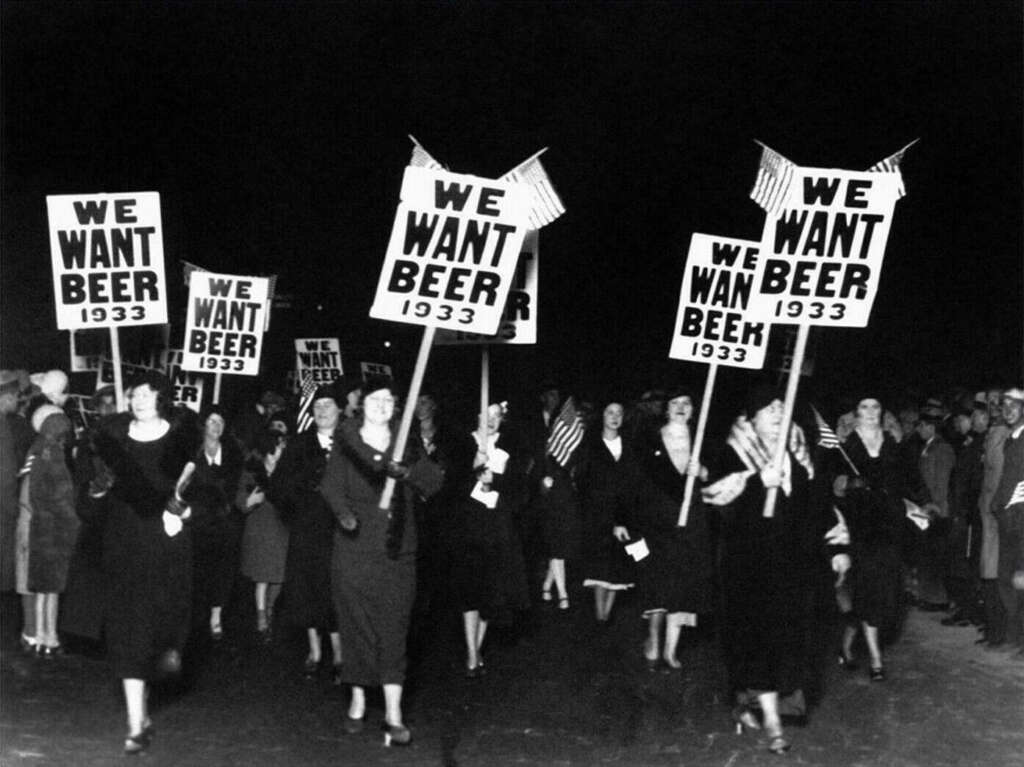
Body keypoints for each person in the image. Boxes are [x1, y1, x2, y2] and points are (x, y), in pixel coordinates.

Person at [702, 385, 848, 755]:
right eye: (769, 410)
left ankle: (749, 701)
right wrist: (753, 483)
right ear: (752, 419)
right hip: (748, 568)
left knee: (787, 640)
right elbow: (714, 500)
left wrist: (837, 546)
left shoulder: (801, 455)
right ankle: (772, 722)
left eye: (781, 409)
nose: (778, 415)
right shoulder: (733, 453)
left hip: (792, 567)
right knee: (758, 640)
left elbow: (818, 506)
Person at [319, 376, 443, 746]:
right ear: (362, 404)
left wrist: (407, 472)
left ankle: (393, 713)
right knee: (356, 626)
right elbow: (330, 487)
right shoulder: (347, 442)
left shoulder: (407, 442)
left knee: (393, 627)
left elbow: (433, 482)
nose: (382, 406)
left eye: (389, 400)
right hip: (354, 548)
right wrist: (344, 515)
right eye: (375, 399)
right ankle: (357, 699)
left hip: (396, 550)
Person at [87, 372, 196, 754]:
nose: (140, 399)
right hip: (125, 545)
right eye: (134, 394)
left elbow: (207, 496)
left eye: (149, 393)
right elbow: (97, 495)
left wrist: (183, 512)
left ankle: (147, 693)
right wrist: (98, 487)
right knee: (128, 629)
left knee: (159, 632)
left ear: (163, 398)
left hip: (167, 550)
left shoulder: (181, 442)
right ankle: (136, 722)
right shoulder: (114, 443)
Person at [633, 388, 713, 670]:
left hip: (691, 520)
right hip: (658, 521)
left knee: (682, 585)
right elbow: (638, 481)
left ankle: (671, 650)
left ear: (693, 409)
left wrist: (702, 472)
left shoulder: (703, 439)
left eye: (686, 402)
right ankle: (653, 641)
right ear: (666, 409)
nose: (681, 407)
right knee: (657, 582)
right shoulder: (650, 440)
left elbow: (719, 478)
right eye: (675, 403)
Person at [831, 396, 910, 679]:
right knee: (867, 589)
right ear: (855, 412)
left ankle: (847, 643)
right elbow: (833, 484)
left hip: (889, 524)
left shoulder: (894, 442)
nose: (871, 412)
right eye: (864, 406)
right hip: (859, 525)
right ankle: (876, 660)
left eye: (876, 406)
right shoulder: (844, 446)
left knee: (885, 593)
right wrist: (851, 483)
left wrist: (924, 504)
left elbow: (909, 478)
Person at [270, 383, 344, 681]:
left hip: (341, 530)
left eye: (328, 406)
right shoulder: (300, 445)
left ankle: (340, 653)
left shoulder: (350, 442)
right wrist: (299, 500)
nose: (322, 411)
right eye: (318, 407)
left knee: (336, 590)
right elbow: (277, 488)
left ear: (340, 410)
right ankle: (314, 650)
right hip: (308, 529)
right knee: (307, 590)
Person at [452, 402, 528, 676]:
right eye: (487, 415)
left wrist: (497, 478)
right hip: (469, 528)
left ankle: (477, 649)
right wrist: (473, 468)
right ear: (478, 417)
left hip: (496, 529)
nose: (492, 420)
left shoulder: (510, 447)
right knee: (469, 591)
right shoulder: (463, 443)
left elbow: (521, 490)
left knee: (489, 591)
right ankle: (472, 653)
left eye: (497, 416)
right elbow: (450, 484)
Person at [14, 405, 79, 657]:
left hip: (40, 529)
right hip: (48, 531)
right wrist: (72, 522)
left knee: (44, 589)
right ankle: (45, 636)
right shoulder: (51, 459)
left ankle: (43, 636)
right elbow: (55, 499)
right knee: (48, 590)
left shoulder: (38, 454)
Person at [187, 406, 244, 645]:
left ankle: (216, 617)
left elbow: (237, 488)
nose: (216, 426)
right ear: (204, 425)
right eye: (211, 421)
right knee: (196, 571)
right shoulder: (192, 454)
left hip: (224, 525)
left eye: (220, 421)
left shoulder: (233, 455)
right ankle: (195, 618)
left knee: (222, 572)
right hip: (196, 525)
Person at [577, 400, 637, 624]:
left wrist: (625, 515)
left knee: (618, 567)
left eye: (619, 413)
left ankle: (607, 614)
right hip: (597, 516)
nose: (614, 417)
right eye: (610, 412)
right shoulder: (591, 445)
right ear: (602, 416)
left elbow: (633, 482)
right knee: (600, 568)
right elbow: (582, 480)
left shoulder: (629, 446)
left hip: (623, 515)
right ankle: (599, 615)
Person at [238, 428, 289, 642]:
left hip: (281, 529)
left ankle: (269, 610)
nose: (278, 454)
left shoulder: (287, 474)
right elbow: (240, 500)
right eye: (274, 450)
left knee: (278, 577)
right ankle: (261, 619)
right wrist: (250, 501)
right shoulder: (252, 472)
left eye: (281, 450)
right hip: (259, 527)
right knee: (262, 576)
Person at [991, 388, 1024, 654]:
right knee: (1008, 578)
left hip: (1019, 516)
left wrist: (1001, 505)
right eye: (1005, 406)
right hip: (1009, 516)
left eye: (1015, 405)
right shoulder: (1012, 440)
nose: (1009, 410)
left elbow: (1015, 480)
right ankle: (1015, 638)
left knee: (1019, 578)